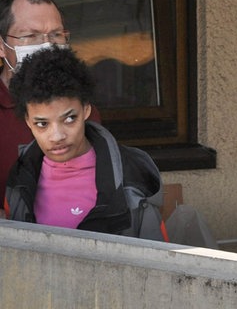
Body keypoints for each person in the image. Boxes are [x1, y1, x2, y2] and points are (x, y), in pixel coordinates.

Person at [4, 47, 166, 241]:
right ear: (28, 121)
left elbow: (158, 262)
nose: (56, 136)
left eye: (69, 119)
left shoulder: (132, 178)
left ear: (86, 109)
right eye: (42, 124)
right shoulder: (20, 178)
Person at [0, 0, 101, 203]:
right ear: (1, 46)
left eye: (56, 35)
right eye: (30, 36)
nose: (46, 46)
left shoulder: (80, 106)